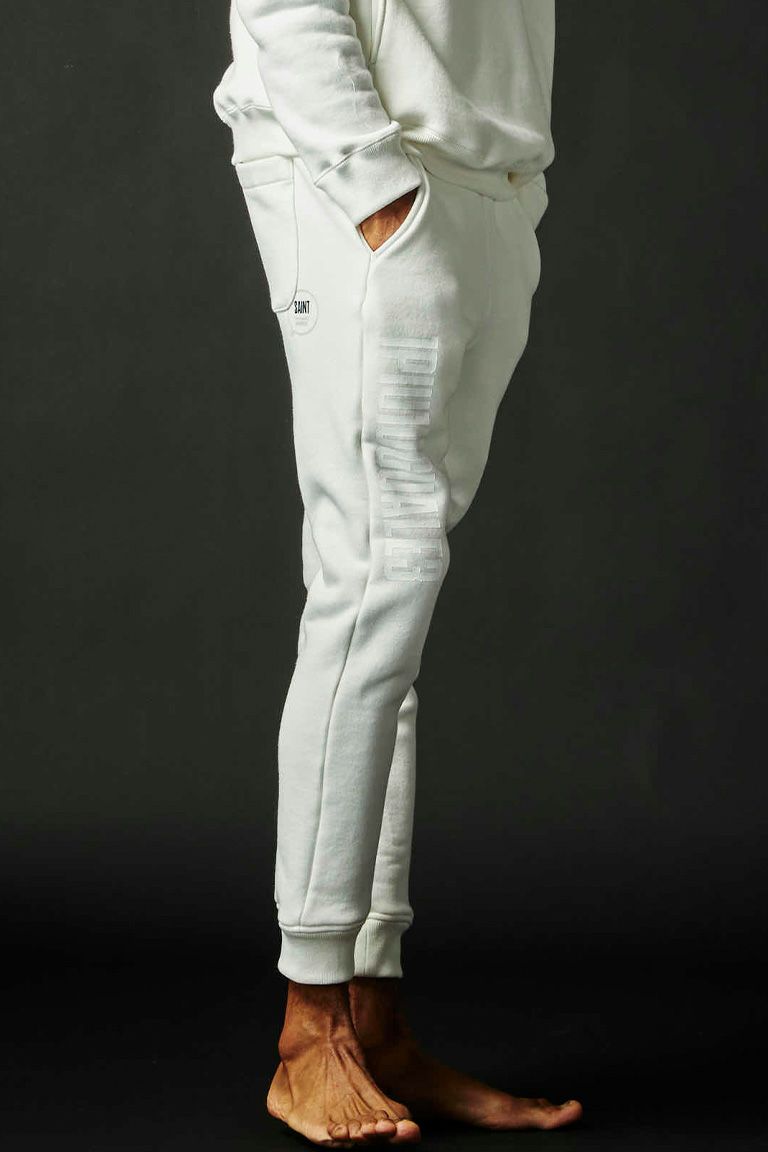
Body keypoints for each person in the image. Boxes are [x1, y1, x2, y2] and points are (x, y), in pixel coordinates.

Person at [213, 1, 582, 1144]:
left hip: (485, 178)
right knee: (375, 577)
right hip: (373, 177)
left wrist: (513, 191)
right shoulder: (375, 184)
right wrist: (377, 188)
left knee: (396, 612)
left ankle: (373, 1026)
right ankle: (308, 1032)